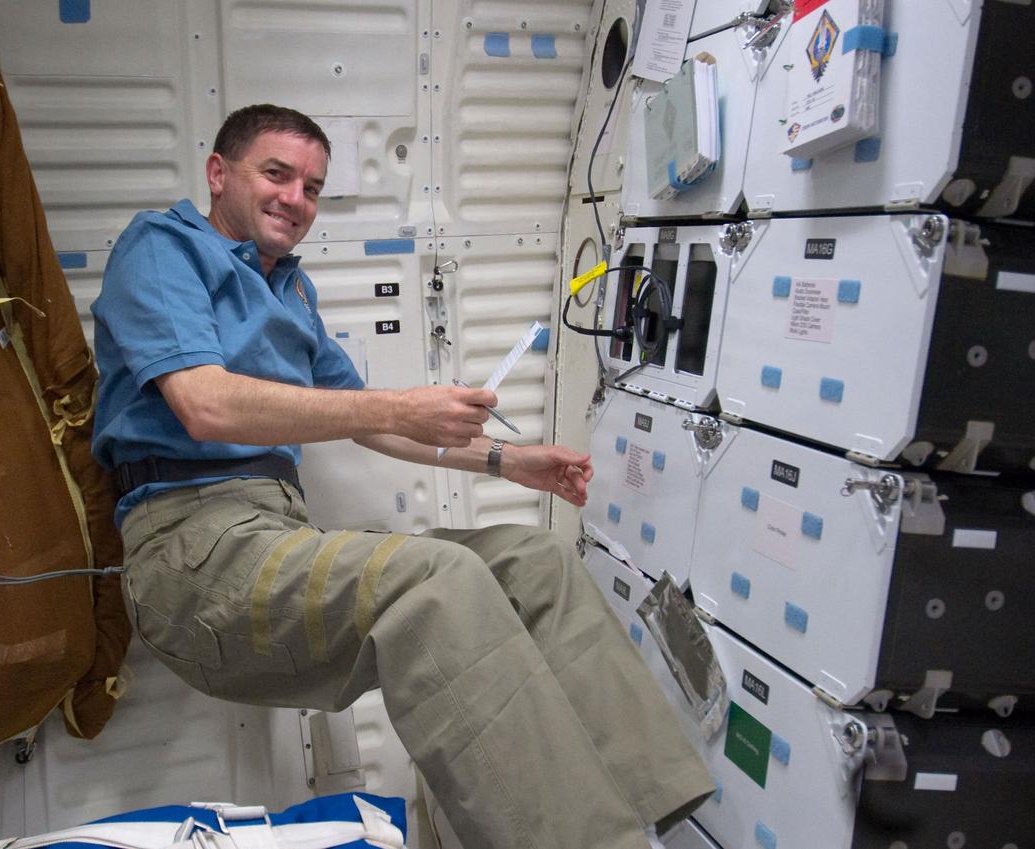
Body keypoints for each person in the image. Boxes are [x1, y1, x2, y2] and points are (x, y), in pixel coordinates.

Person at [91, 104, 712, 849]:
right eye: (277, 174)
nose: (296, 199)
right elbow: (203, 404)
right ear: (219, 174)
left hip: (274, 532)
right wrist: (397, 402)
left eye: (313, 187)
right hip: (192, 560)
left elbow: (366, 421)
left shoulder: (289, 288)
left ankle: (653, 813)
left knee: (536, 563)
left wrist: (512, 461)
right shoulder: (161, 248)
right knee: (437, 582)